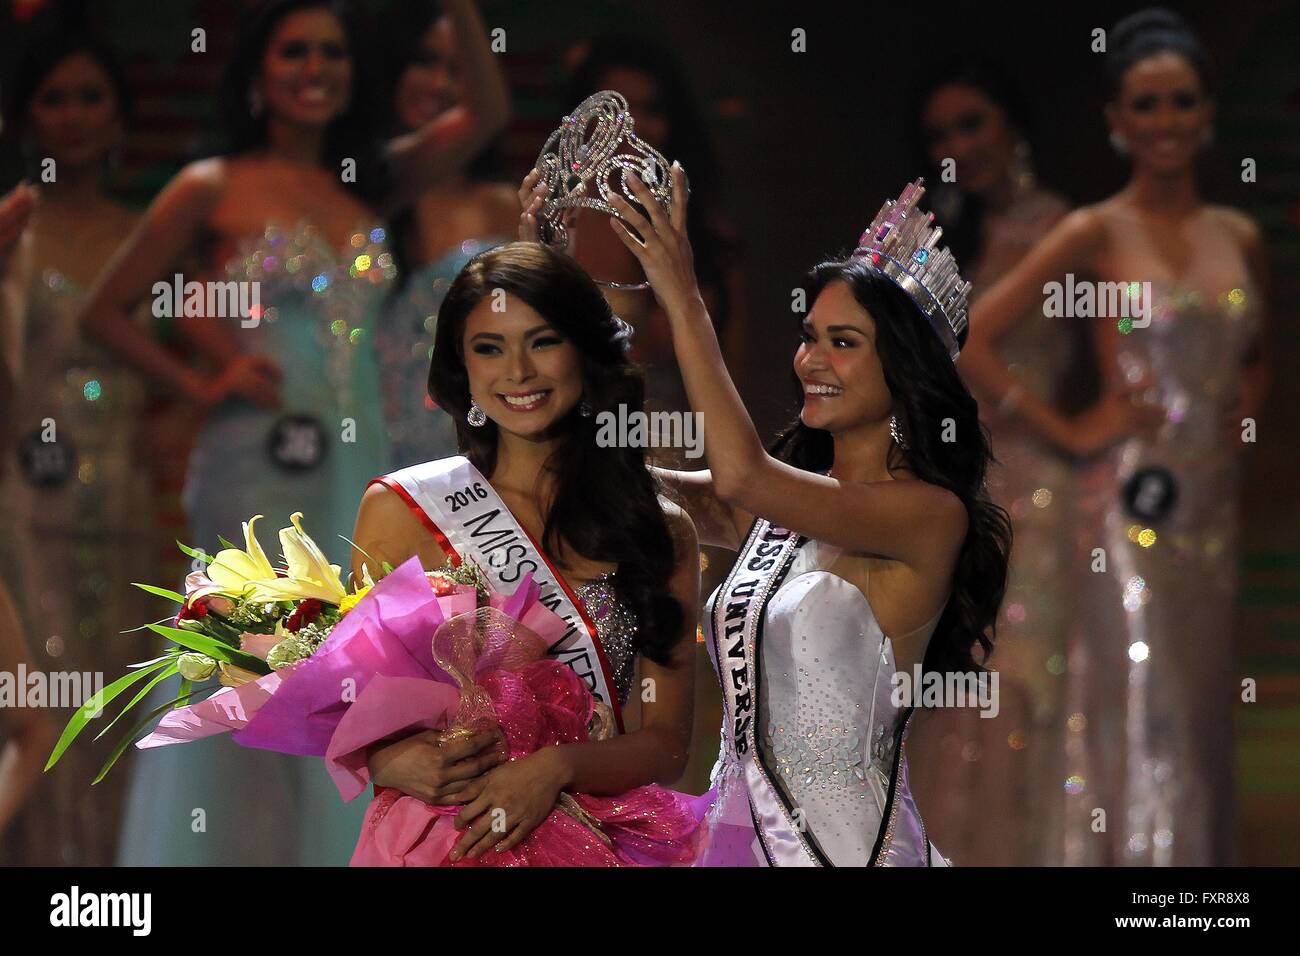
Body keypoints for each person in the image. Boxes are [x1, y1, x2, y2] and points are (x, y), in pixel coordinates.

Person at [80, 0, 508, 865]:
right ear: (259, 71)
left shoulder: (371, 179)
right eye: (294, 52)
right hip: (257, 460)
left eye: (334, 54)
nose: (316, 68)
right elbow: (106, 311)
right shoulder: (211, 184)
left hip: (356, 461)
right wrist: (204, 382)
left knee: (350, 656)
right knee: (249, 652)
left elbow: (490, 115)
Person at [570, 165, 1012, 865]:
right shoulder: (788, 509)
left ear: (903, 371)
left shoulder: (930, 517)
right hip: (740, 840)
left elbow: (744, 474)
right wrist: (548, 294)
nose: (811, 359)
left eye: (844, 342)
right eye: (809, 335)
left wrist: (682, 296)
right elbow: (620, 486)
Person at [959, 9, 1268, 864]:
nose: (1165, 121)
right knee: (1137, 689)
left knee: (1198, 701)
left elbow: (1253, 355)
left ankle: (1196, 884)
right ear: (1117, 121)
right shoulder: (1096, 228)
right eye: (1147, 105)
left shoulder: (1236, 236)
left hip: (1211, 503)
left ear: (1205, 113)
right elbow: (973, 334)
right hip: (1130, 499)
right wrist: (1066, 425)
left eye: (1181, 102)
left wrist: (1238, 426)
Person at [350, 241, 699, 860]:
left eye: (543, 342)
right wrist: (387, 757)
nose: (517, 372)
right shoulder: (403, 510)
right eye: (489, 347)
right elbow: (357, 700)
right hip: (448, 836)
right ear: (461, 366)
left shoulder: (657, 529)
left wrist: (556, 768)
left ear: (586, 355)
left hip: (605, 837)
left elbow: (668, 745)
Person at [904, 59, 1074, 865]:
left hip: (1035, 492)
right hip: (951, 488)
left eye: (972, 124)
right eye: (940, 134)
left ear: (1014, 123)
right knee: (951, 685)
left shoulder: (1064, 228)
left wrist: (1065, 431)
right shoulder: (941, 235)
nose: (957, 147)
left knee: (1024, 687)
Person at [0, 33, 156, 865]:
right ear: (26, 116)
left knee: (120, 711)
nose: (74, 116)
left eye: (91, 96)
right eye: (54, 98)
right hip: (28, 509)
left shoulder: (152, 234)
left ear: (120, 115)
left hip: (128, 507)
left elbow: (181, 389)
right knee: (43, 710)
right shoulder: (11, 232)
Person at [377, 0, 517, 468]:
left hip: (486, 461)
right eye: (424, 61)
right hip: (363, 457)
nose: (438, 83)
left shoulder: (510, 208)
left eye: (458, 69)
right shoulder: (353, 200)